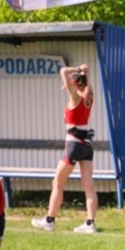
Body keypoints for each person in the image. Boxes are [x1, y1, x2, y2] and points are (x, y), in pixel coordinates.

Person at [31, 64, 98, 234]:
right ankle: (90, 223)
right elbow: (86, 79)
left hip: (73, 145)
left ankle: (49, 220)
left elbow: (63, 71)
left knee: (57, 183)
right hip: (87, 147)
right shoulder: (89, 97)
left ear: (74, 84)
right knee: (89, 187)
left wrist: (77, 69)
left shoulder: (75, 98)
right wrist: (83, 72)